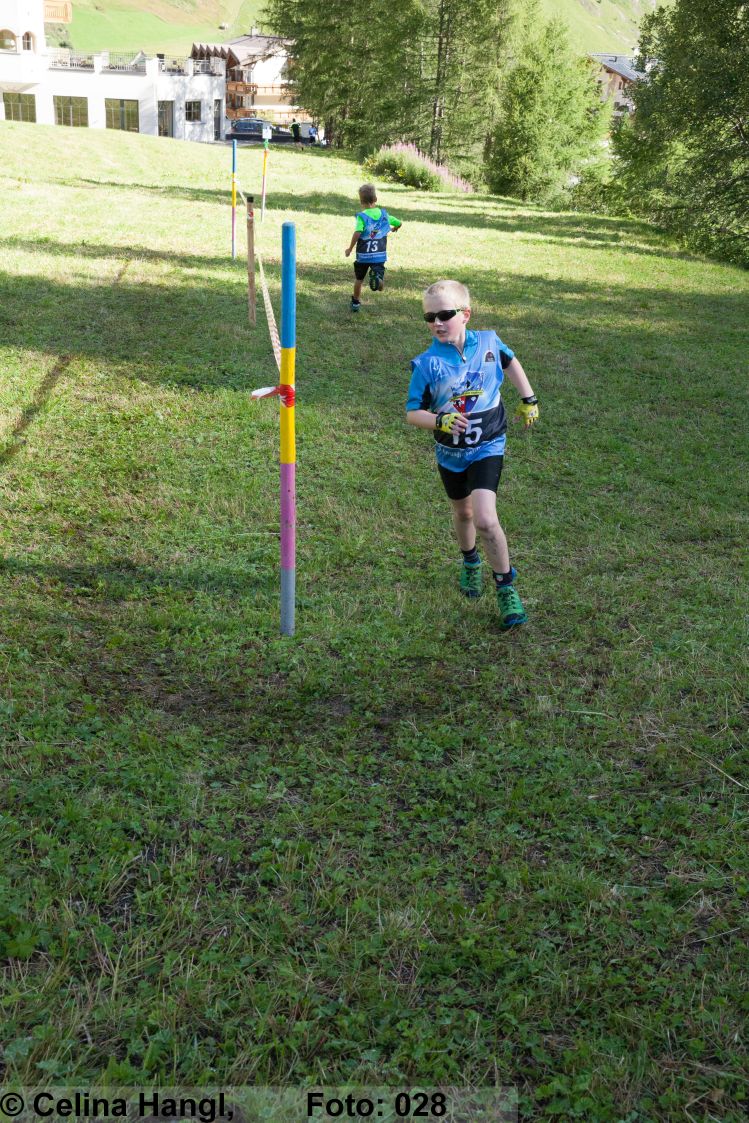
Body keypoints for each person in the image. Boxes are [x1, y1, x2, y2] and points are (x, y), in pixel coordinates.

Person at [406, 279, 540, 629]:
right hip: (450, 453)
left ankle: (505, 587)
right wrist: (440, 420)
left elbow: (510, 362)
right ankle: (470, 562)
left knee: (484, 518)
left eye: (445, 315)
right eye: (429, 317)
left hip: (488, 444)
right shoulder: (427, 364)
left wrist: (528, 398)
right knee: (463, 513)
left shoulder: (490, 343)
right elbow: (412, 413)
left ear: (465, 314)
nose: (437, 323)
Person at [344, 183, 403, 312]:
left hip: (363, 255)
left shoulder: (362, 217)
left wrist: (350, 248)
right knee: (379, 277)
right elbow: (399, 223)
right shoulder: (384, 215)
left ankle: (355, 302)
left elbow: (357, 232)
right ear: (375, 199)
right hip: (379, 255)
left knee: (359, 279)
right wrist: (395, 228)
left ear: (361, 202)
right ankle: (378, 280)